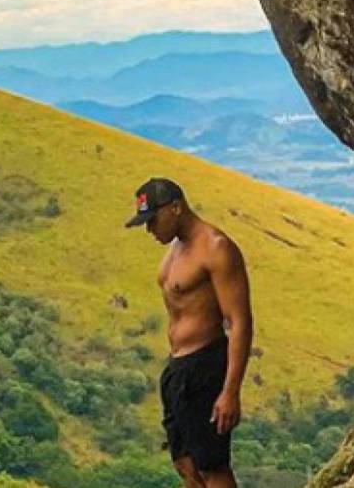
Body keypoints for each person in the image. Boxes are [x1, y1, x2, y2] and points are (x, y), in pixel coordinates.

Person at [125, 178, 253, 488]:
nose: (150, 229)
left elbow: (239, 322)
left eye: (153, 220)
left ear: (176, 208)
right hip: (177, 368)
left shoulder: (215, 248)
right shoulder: (174, 248)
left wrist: (230, 391)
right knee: (185, 463)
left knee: (212, 465)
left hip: (205, 365)